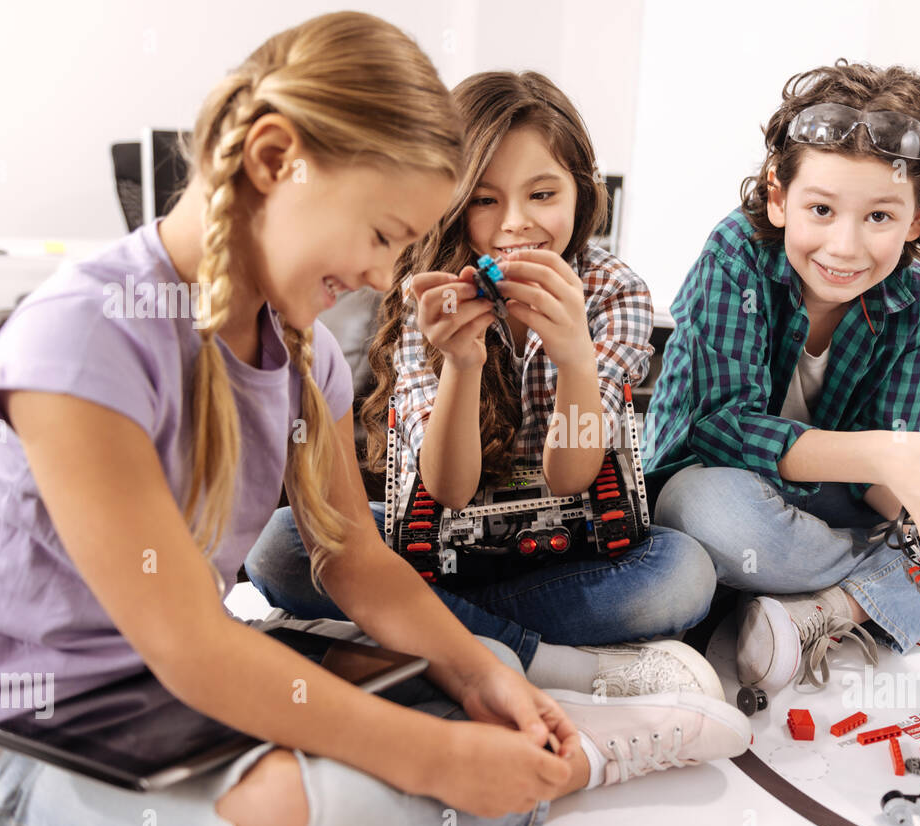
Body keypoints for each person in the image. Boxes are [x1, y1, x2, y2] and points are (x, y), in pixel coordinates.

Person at [0, 14, 748, 826]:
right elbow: (186, 642)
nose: (380, 276)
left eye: (402, 246)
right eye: (380, 236)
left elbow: (355, 558)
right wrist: (435, 756)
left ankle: (535, 748)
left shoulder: (307, 353)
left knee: (458, 680)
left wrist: (484, 678)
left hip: (196, 693)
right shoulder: (84, 336)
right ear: (270, 161)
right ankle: (575, 763)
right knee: (298, 821)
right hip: (36, 734)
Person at [245, 71, 721, 701]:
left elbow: (572, 478)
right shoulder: (427, 292)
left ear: (582, 192)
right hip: (441, 551)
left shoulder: (612, 290)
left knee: (682, 575)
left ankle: (426, 635)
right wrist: (462, 363)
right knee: (280, 547)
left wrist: (576, 356)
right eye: (484, 199)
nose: (515, 225)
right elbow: (447, 488)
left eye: (543, 194)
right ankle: (542, 660)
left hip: (564, 546)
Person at [643, 61, 920, 695]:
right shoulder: (735, 253)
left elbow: (880, 469)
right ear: (777, 195)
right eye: (821, 208)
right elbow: (718, 431)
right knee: (719, 517)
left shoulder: (919, 299)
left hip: (828, 499)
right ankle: (877, 590)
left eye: (879, 217)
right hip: (709, 482)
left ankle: (818, 607)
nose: (845, 248)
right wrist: (893, 456)